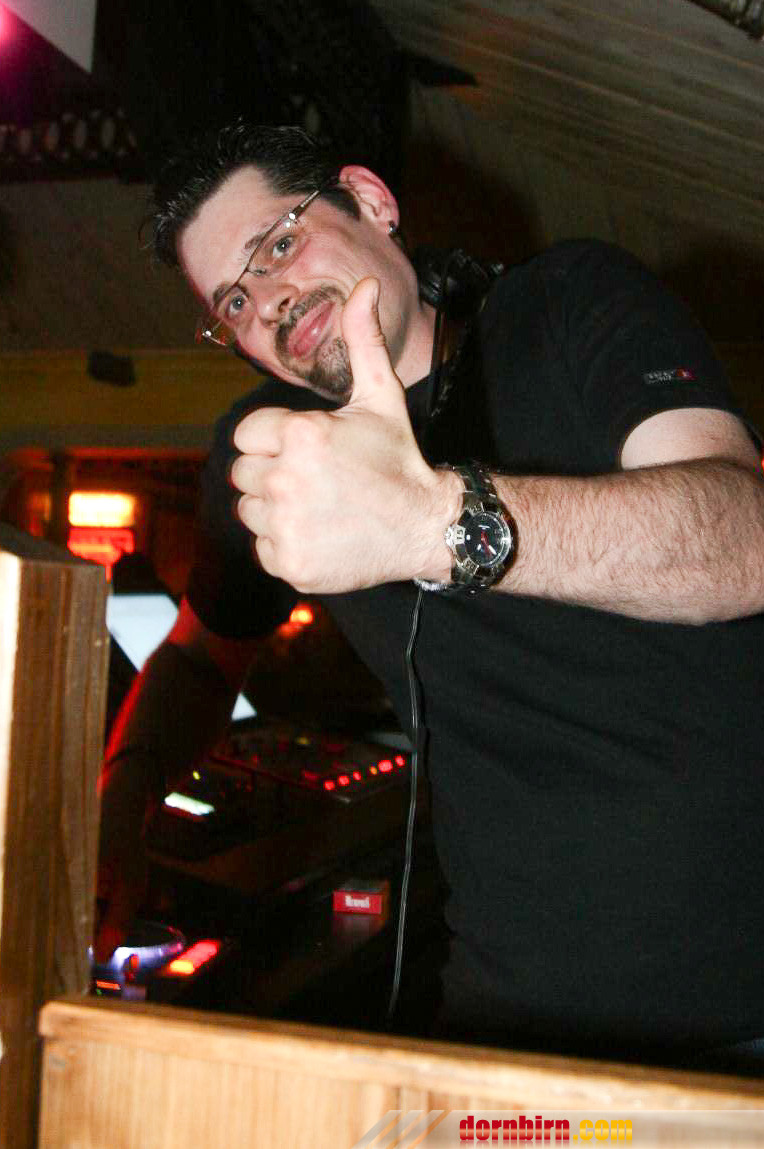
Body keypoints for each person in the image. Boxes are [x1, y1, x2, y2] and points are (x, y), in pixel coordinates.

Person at [98, 122, 764, 1064]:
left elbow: (744, 538)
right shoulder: (280, 460)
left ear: (372, 202)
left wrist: (435, 523)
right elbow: (202, 660)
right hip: (504, 1028)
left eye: (279, 243)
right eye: (234, 302)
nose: (269, 300)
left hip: (742, 1016)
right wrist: (113, 815)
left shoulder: (568, 300)